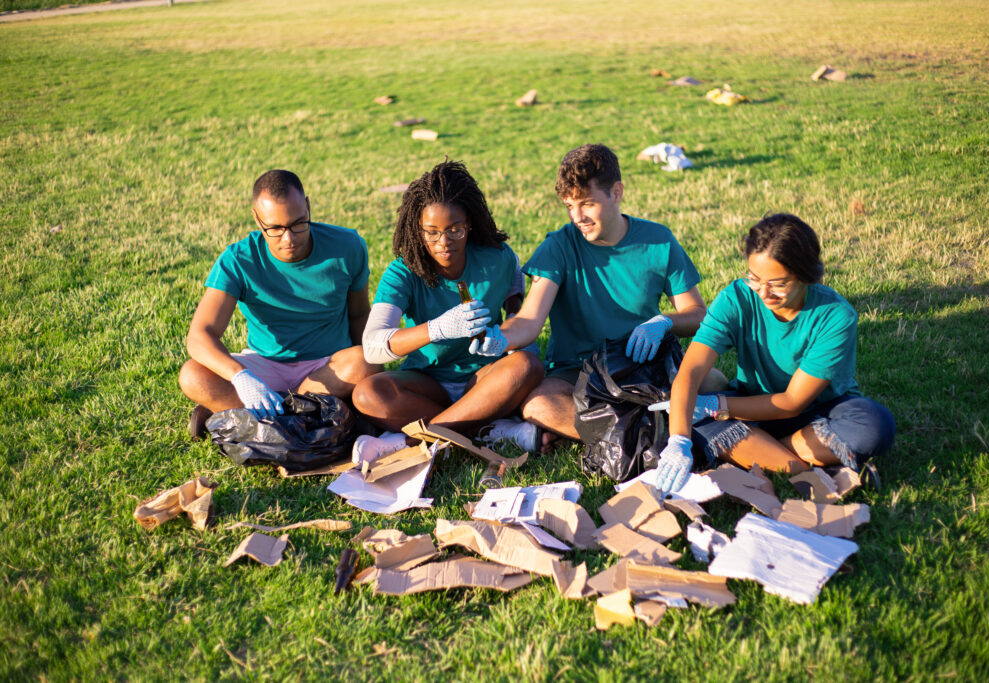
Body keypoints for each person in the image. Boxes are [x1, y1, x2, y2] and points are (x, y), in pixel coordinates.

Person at [472, 143, 722, 446]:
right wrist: (499, 337)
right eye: (569, 206)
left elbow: (697, 315)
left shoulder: (658, 240)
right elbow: (529, 320)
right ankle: (651, 434)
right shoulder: (558, 247)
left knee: (713, 381)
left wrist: (662, 321)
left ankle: (618, 431)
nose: (577, 217)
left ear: (616, 193)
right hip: (576, 372)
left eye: (586, 203)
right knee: (539, 406)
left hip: (640, 365)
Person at [654, 213, 896, 494]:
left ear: (806, 275)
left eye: (778, 283)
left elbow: (792, 402)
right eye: (755, 279)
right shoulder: (736, 298)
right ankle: (816, 470)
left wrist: (718, 406)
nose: (764, 293)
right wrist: (679, 441)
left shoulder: (835, 316)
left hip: (818, 415)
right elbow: (691, 370)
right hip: (753, 406)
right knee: (689, 416)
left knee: (873, 425)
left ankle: (763, 457)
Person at [351, 160, 544, 461]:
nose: (443, 243)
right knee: (367, 394)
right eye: (431, 232)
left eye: (455, 230)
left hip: (483, 379)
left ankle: (417, 440)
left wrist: (503, 340)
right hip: (425, 384)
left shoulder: (500, 258)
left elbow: (519, 321)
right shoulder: (403, 271)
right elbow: (373, 347)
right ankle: (485, 429)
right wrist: (435, 329)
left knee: (527, 365)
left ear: (470, 223)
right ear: (417, 229)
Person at [178, 169, 379, 438]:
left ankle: (249, 417)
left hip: (329, 366)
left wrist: (367, 375)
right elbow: (199, 336)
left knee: (368, 360)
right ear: (256, 219)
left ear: (308, 207)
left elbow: (358, 315)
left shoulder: (348, 246)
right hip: (265, 366)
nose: (289, 238)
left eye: (298, 223)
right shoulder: (239, 259)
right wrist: (241, 377)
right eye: (274, 228)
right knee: (193, 375)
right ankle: (318, 416)